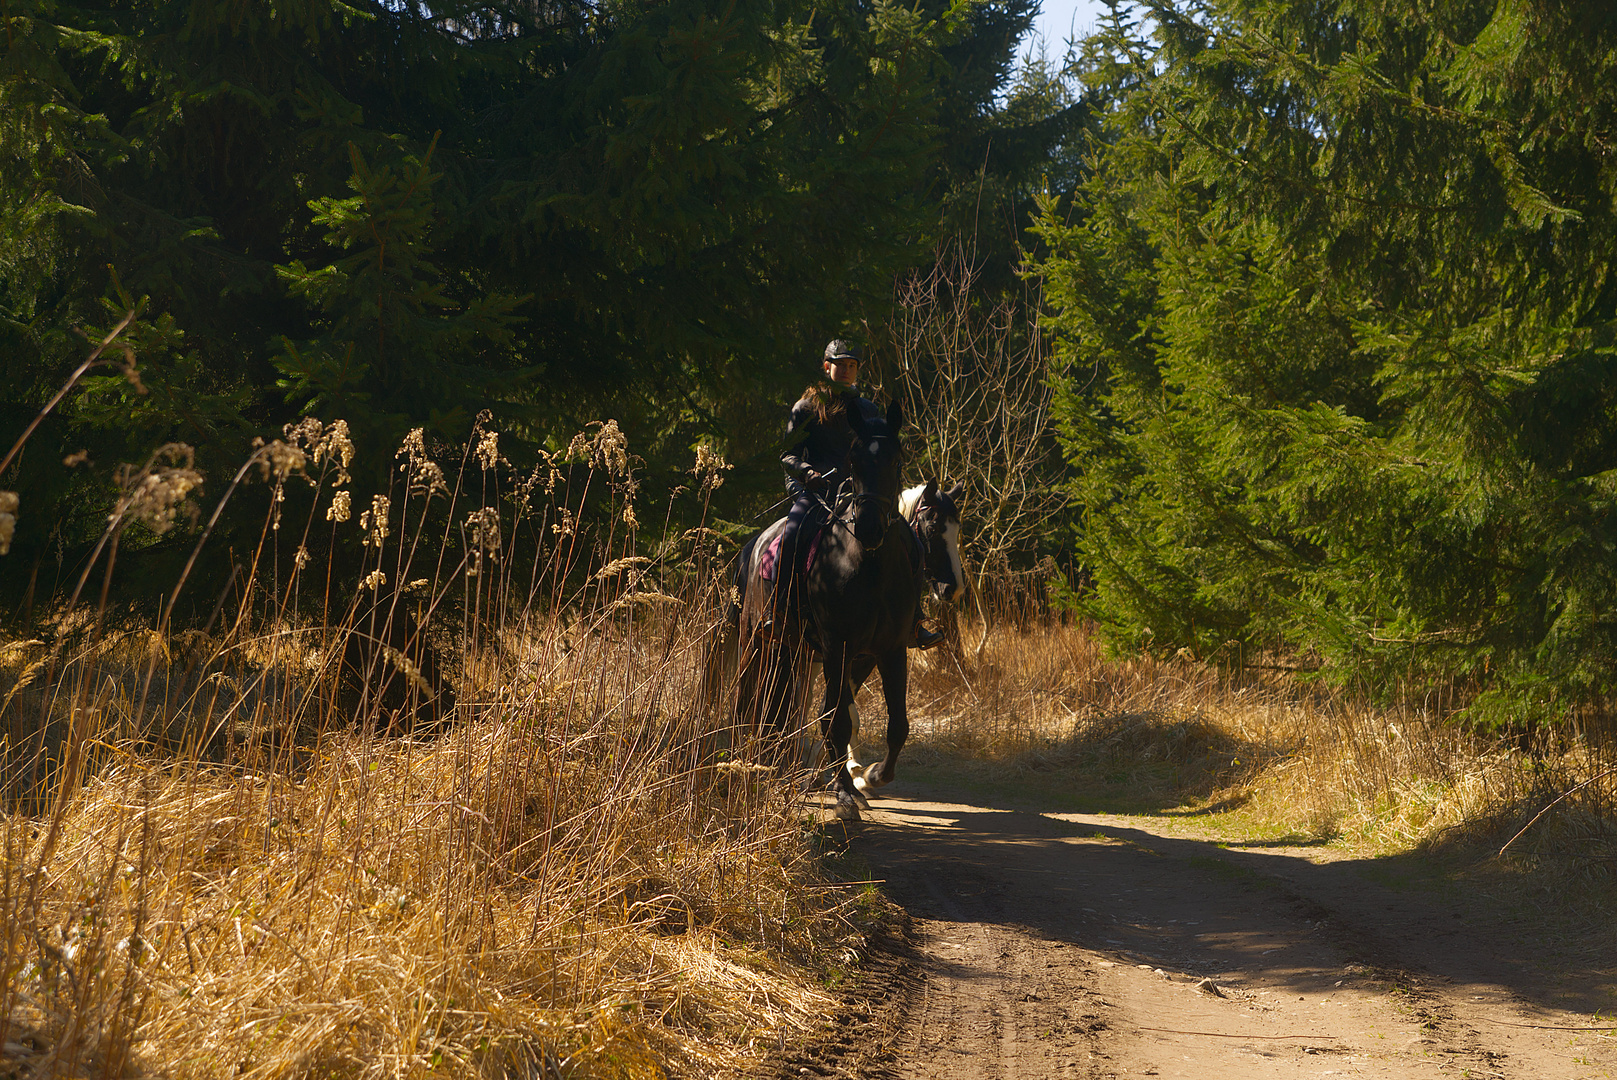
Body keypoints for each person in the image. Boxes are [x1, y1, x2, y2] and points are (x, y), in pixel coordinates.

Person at [765, 339, 942, 649]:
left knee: (909, 539)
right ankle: (779, 611)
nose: (846, 370)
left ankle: (914, 618)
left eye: (852, 365)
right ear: (826, 367)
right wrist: (807, 473)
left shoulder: (867, 409)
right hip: (816, 492)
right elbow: (786, 454)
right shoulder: (805, 407)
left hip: (858, 494)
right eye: (840, 364)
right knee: (793, 532)